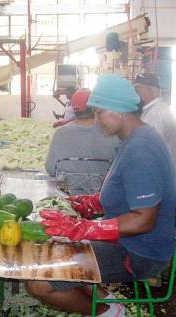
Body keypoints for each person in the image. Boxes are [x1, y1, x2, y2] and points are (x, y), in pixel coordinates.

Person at [26, 74, 176, 317]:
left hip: (139, 253)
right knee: (61, 247)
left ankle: (109, 313)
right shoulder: (133, 139)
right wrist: (90, 203)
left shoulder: (141, 150)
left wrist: (85, 229)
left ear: (118, 110)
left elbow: (143, 219)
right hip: (127, 242)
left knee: (39, 283)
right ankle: (107, 299)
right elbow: (125, 191)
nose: (96, 120)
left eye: (99, 112)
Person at [45, 89, 119, 194]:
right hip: (100, 196)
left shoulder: (60, 133)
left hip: (68, 195)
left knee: (59, 180)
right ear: (95, 108)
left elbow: (51, 169)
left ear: (73, 109)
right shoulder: (111, 133)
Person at [134, 72, 176, 167]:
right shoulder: (158, 108)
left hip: (158, 172)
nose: (136, 93)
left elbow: (148, 149)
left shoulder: (155, 114)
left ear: (149, 90)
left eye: (138, 89)